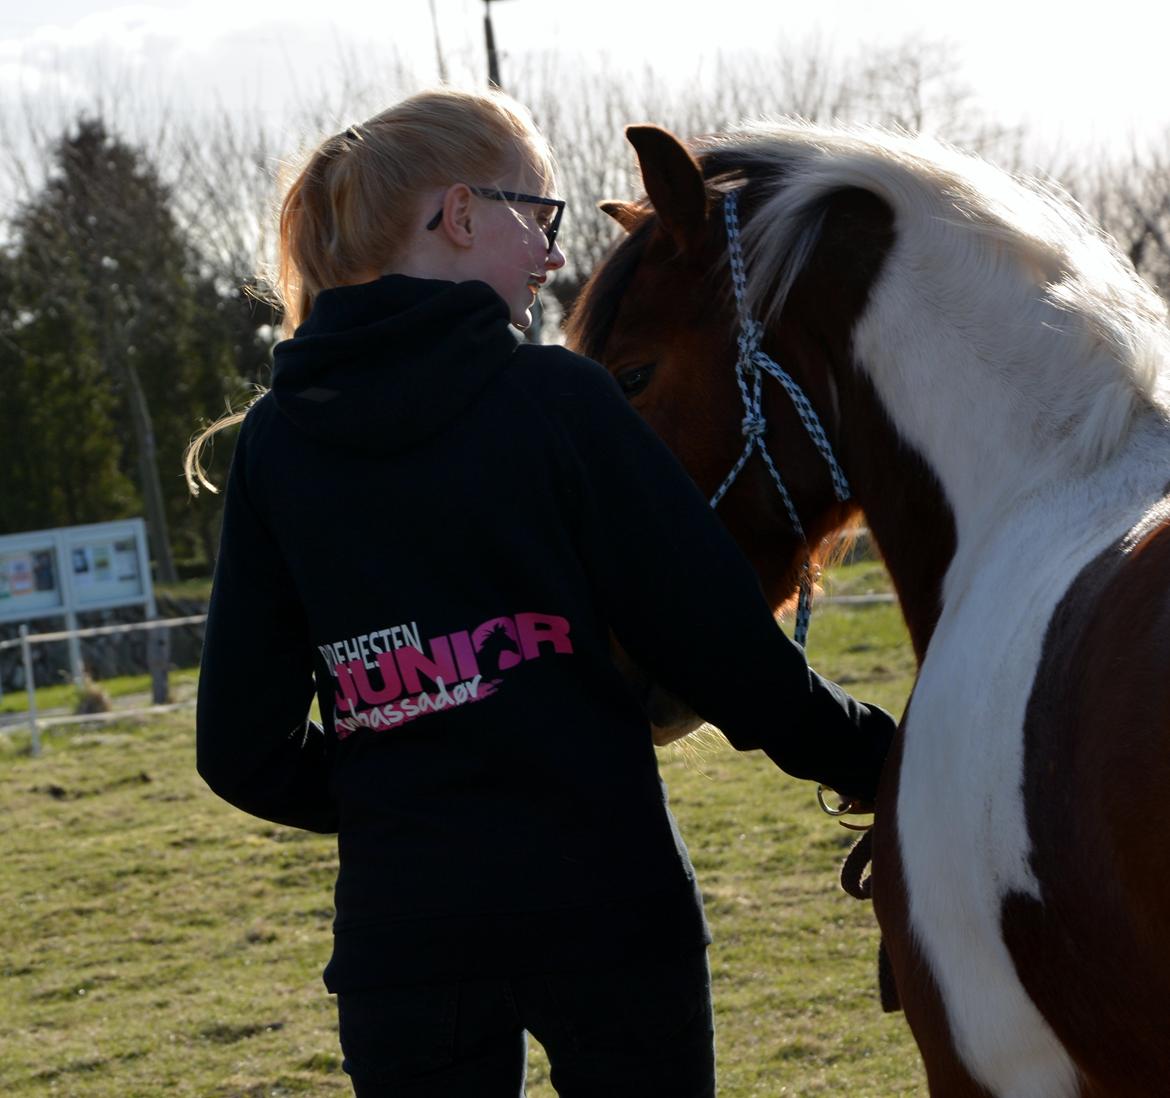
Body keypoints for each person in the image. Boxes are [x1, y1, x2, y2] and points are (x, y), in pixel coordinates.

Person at [187, 87, 895, 1098]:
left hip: (405, 943)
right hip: (607, 913)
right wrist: (878, 760)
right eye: (539, 216)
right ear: (461, 214)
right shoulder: (557, 402)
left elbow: (239, 752)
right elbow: (722, 651)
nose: (555, 258)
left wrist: (407, 800)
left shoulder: (274, 446)